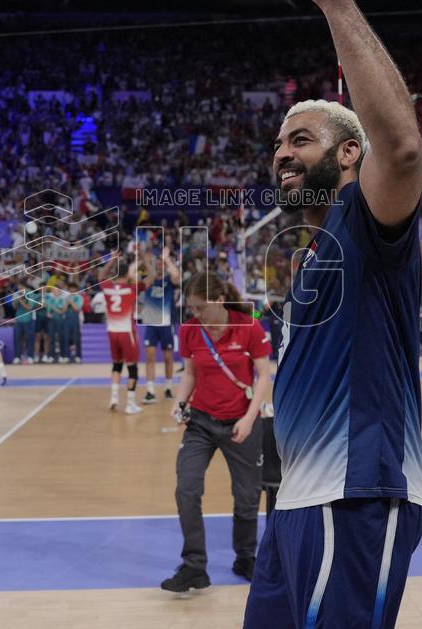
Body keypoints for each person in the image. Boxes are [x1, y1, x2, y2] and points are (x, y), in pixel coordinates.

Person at [244, 0, 422, 629]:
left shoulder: (366, 219)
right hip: (295, 500)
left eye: (301, 140)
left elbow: (403, 147)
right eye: (278, 144)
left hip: (352, 495)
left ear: (350, 153)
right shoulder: (311, 251)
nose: (281, 154)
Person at [161, 272, 272, 593]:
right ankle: (195, 566)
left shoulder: (248, 326)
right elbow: (190, 373)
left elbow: (264, 376)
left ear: (219, 300)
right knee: (187, 488)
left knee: (248, 495)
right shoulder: (190, 331)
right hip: (202, 422)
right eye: (191, 308)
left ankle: (245, 556)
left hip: (242, 421)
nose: (195, 315)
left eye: (199, 308)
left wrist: (250, 418)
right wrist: (180, 403)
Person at [99, 257, 142, 414]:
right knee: (133, 368)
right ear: (128, 275)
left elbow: (101, 276)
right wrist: (140, 263)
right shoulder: (131, 289)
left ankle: (114, 398)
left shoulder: (107, 287)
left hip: (112, 332)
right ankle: (130, 404)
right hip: (126, 332)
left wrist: (111, 261)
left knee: (117, 365)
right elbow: (147, 279)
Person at [141, 246, 181, 403]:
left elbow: (176, 275)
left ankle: (168, 388)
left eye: (161, 264)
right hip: (151, 323)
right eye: (157, 263)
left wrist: (167, 260)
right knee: (150, 357)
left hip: (166, 324)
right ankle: (150, 390)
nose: (159, 266)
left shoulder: (169, 281)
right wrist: (144, 257)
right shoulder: (149, 280)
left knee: (168, 358)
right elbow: (148, 276)